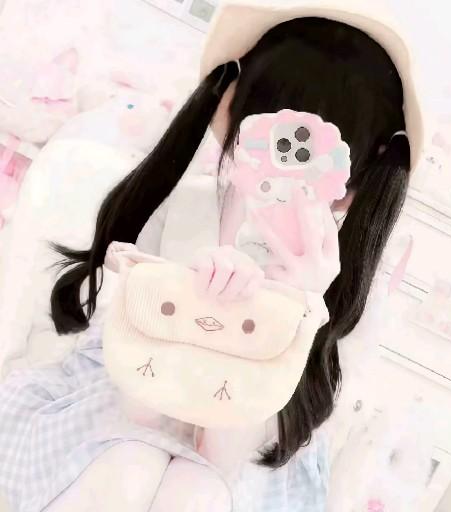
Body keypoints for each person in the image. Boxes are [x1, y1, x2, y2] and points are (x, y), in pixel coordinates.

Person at [0, 1, 425, 510]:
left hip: (252, 456)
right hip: (123, 400)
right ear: (233, 110)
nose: (289, 168)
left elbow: (251, 447)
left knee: (197, 490)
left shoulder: (353, 290)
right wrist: (184, 297)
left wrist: (296, 306)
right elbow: (134, 389)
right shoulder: (183, 207)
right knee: (131, 463)